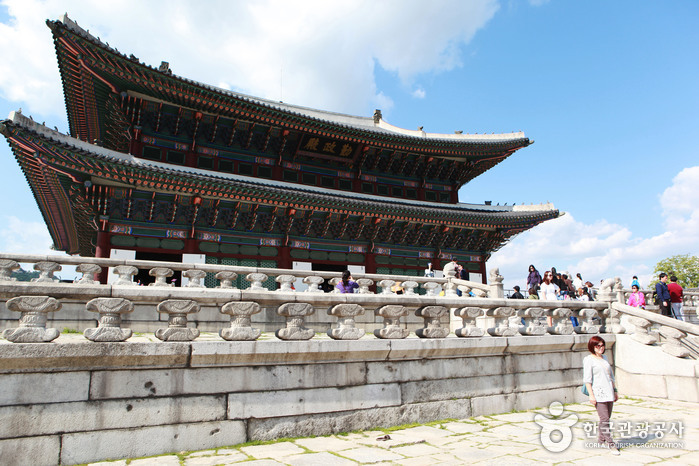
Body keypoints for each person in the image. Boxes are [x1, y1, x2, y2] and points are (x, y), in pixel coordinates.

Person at [583, 336, 619, 455]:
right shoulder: (589, 360)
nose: (601, 348)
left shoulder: (605, 358)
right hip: (598, 393)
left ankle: (601, 440)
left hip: (609, 391)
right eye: (598, 346)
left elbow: (611, 376)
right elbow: (587, 380)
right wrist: (591, 396)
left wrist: (615, 390)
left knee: (605, 418)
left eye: (602, 345)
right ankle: (610, 443)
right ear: (592, 347)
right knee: (605, 419)